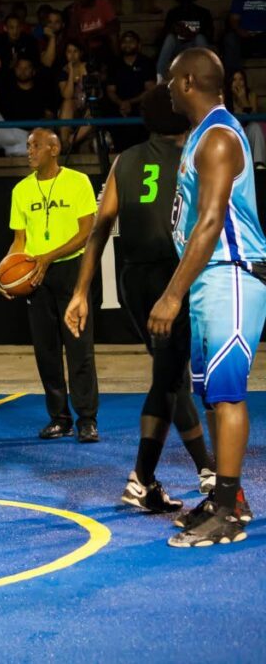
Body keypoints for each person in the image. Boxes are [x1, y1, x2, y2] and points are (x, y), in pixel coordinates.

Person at [65, 85, 217, 513]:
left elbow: (99, 229)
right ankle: (143, 477)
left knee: (171, 373)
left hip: (134, 280)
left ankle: (198, 467)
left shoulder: (123, 161)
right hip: (173, 281)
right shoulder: (196, 157)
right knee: (170, 376)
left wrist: (81, 292)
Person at [150, 48, 266, 546]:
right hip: (210, 278)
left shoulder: (217, 137)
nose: (168, 87)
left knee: (227, 394)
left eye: (173, 80)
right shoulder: (200, 134)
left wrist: (172, 294)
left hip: (231, 275)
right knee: (213, 395)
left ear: (192, 81)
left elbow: (211, 222)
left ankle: (229, 511)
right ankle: (226, 496)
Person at [0, 129, 99, 442]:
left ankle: (87, 419)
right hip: (35, 277)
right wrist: (2, 273)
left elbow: (87, 232)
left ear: (54, 148)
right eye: (28, 146)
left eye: (36, 146)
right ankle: (59, 417)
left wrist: (48, 257)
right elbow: (19, 241)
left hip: (70, 270)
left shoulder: (78, 182)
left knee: (79, 348)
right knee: (47, 351)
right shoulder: (21, 190)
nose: (29, 151)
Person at [0, 57, 56, 157]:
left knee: (35, 148)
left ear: (33, 71)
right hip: (5, 129)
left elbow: (49, 117)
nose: (22, 71)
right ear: (15, 69)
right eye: (19, 68)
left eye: (26, 68)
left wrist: (38, 129)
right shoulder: (8, 84)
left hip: (26, 135)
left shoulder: (40, 90)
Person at [105, 31, 156, 151]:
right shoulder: (114, 64)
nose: (127, 44)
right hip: (118, 107)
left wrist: (130, 102)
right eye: (124, 41)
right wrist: (121, 103)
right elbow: (110, 90)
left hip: (141, 106)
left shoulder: (146, 63)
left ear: (138, 45)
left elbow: (150, 89)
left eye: (131, 41)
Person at [156, 0, 212, 80]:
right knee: (170, 38)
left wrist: (190, 31)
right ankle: (159, 76)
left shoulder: (203, 13)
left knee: (200, 38)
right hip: (178, 46)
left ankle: (206, 73)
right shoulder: (173, 13)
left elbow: (209, 34)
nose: (185, 2)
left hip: (195, 46)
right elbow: (165, 33)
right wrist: (180, 30)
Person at [65, 0, 119, 64]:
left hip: (102, 45)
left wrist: (93, 35)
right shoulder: (76, 7)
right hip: (84, 48)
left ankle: (117, 61)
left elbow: (115, 26)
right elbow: (72, 33)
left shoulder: (103, 3)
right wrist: (74, 13)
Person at [225, 70, 266, 169]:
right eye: (234, 80)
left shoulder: (251, 95)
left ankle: (259, 165)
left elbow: (253, 116)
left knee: (255, 127)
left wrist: (243, 99)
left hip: (247, 132)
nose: (238, 83)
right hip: (231, 134)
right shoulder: (224, 97)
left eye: (241, 79)